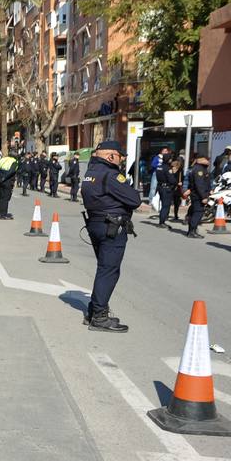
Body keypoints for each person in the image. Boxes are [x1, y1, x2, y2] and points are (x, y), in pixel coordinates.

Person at [81, 140, 141, 332]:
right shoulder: (111, 175)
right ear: (111, 156)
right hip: (111, 226)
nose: (121, 160)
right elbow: (134, 199)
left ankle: (94, 310)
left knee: (103, 269)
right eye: (120, 156)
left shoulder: (91, 173)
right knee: (108, 270)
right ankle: (99, 316)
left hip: (96, 223)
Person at [184, 153, 212, 238]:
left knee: (194, 212)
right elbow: (199, 184)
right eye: (207, 159)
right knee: (198, 213)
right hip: (198, 195)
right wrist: (203, 197)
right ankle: (192, 231)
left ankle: (191, 231)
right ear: (201, 159)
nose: (208, 161)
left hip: (196, 194)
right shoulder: (199, 170)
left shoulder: (197, 168)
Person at [153, 158, 179, 228]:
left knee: (163, 205)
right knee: (165, 206)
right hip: (166, 189)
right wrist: (177, 183)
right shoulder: (167, 168)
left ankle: (161, 220)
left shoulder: (158, 167)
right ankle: (162, 222)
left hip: (160, 187)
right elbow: (171, 180)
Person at [0, 150, 19, 219]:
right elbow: (11, 171)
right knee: (6, 198)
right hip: (7, 181)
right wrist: (4, 178)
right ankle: (3, 214)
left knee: (1, 197)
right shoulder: (14, 162)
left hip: (0, 180)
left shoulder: (2, 159)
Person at [166, 157, 184, 223]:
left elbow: (182, 179)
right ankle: (168, 215)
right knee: (169, 203)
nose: (173, 168)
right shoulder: (170, 171)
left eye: (174, 167)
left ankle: (175, 215)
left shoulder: (180, 171)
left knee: (176, 203)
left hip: (176, 189)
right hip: (172, 189)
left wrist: (181, 182)